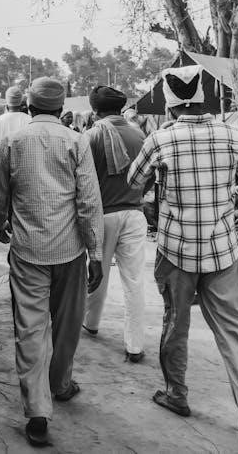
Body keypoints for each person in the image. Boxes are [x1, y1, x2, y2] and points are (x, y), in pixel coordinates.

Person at [127, 65, 238, 454]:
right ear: (203, 98)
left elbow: (133, 183)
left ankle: (176, 394)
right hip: (223, 252)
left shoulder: (160, 139)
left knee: (176, 324)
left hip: (176, 252)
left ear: (170, 104)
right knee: (237, 338)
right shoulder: (233, 135)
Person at [0, 76, 104, 448]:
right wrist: (96, 253)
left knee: (30, 328)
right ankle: (59, 384)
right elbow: (88, 202)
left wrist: (0, 222)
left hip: (27, 251)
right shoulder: (76, 141)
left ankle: (38, 410)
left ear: (30, 106)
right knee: (67, 324)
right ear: (61, 107)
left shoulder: (13, 141)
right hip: (70, 251)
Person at [81, 86, 148, 362]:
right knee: (134, 281)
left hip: (103, 214)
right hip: (134, 213)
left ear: (94, 109)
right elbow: (147, 176)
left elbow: (82, 180)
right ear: (120, 108)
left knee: (98, 271)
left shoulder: (91, 136)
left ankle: (91, 322)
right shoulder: (138, 134)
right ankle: (135, 345)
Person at [0, 86, 29, 168]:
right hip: (24, 163)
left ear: (7, 102)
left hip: (4, 164)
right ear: (20, 101)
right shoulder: (29, 119)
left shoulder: (0, 120)